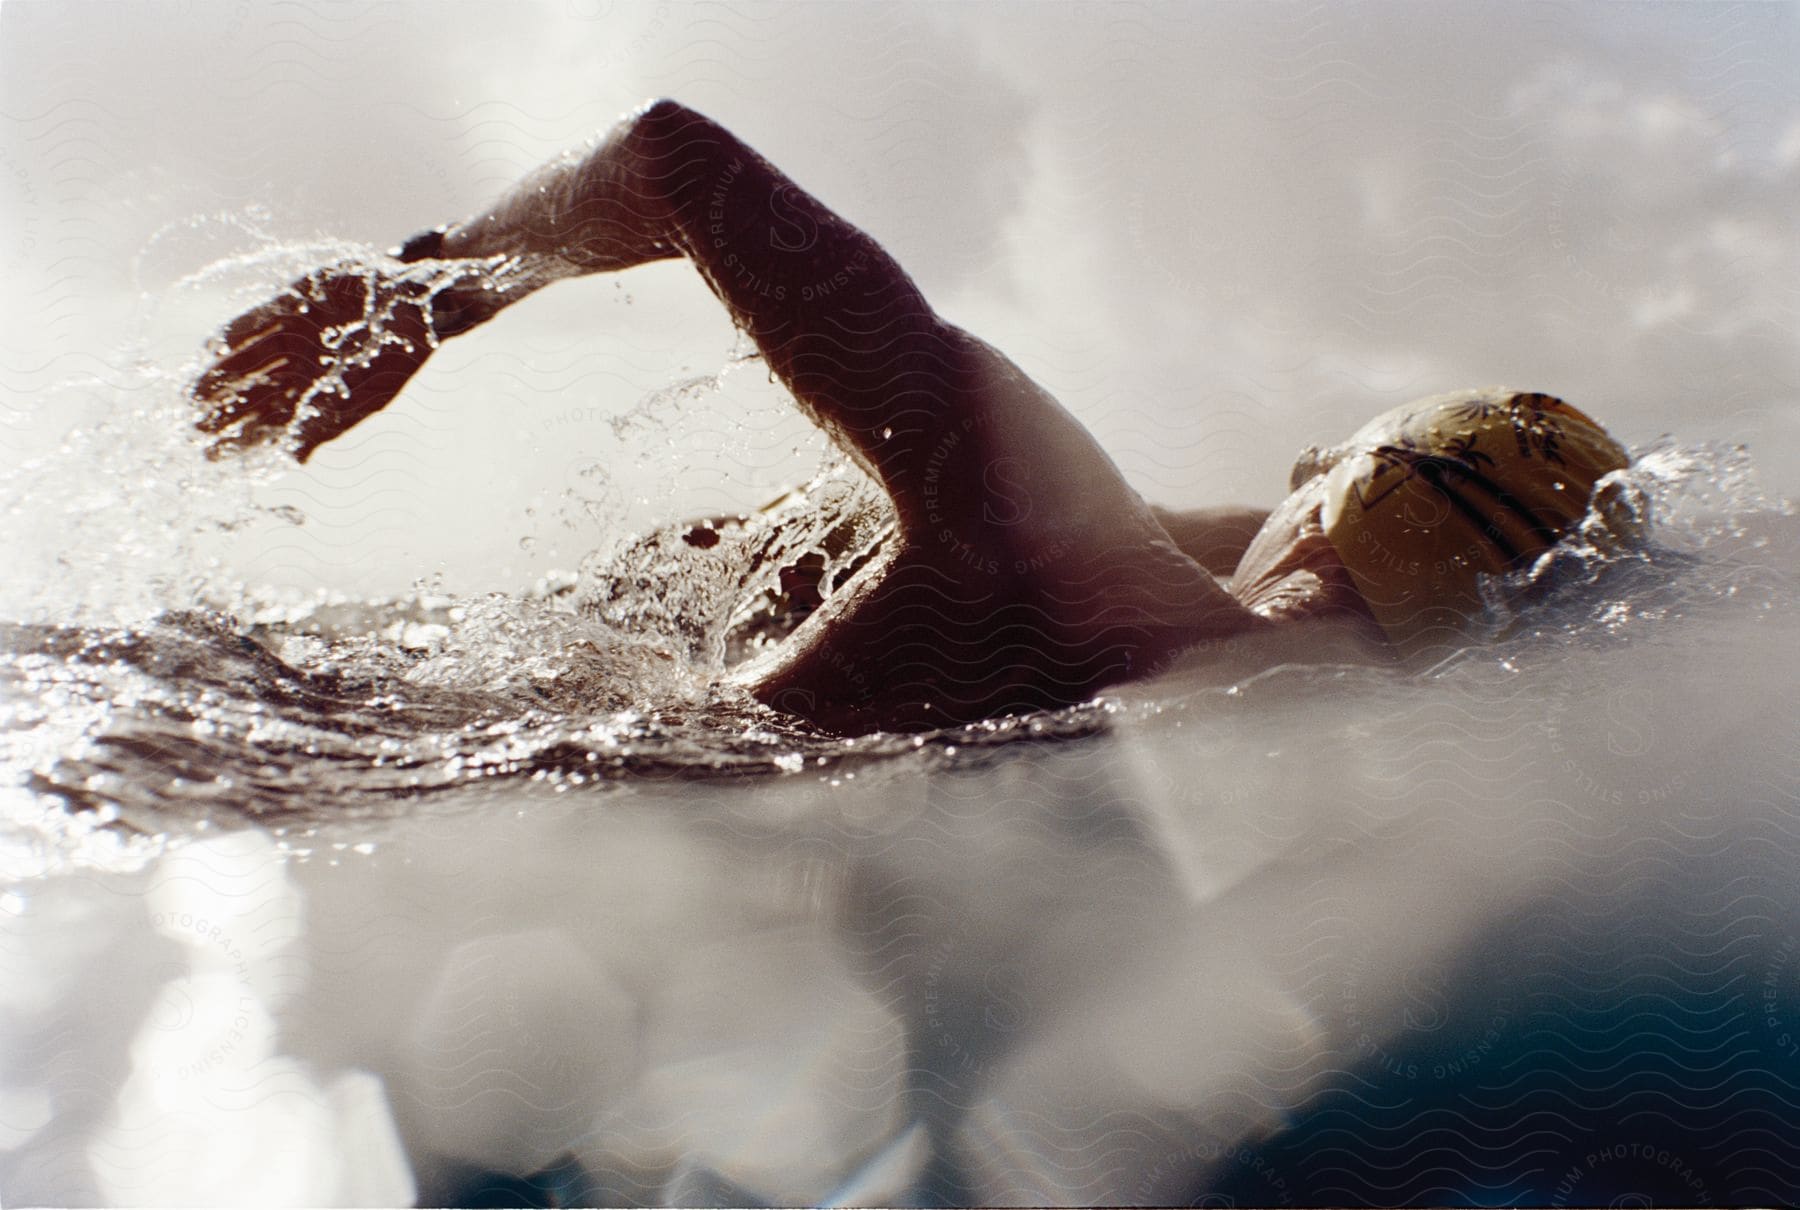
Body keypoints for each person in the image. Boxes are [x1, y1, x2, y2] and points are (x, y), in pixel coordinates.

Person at [192, 99, 1630, 735]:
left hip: (327, 731)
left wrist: (427, 289)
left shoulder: (1044, 512)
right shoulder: (1309, 681)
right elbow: (1356, 565)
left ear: (1327, 486)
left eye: (1311, 468)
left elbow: (670, 153)